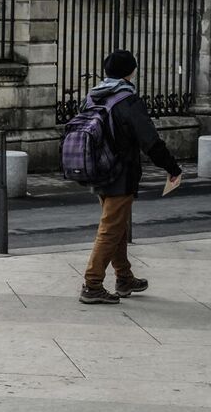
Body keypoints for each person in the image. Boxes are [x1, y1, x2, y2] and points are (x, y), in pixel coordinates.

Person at [78, 50, 183, 305]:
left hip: (97, 168)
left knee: (117, 226)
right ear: (131, 71)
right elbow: (150, 141)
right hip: (120, 173)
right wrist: (172, 167)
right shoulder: (127, 100)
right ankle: (92, 284)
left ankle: (124, 277)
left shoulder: (93, 96)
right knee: (111, 228)